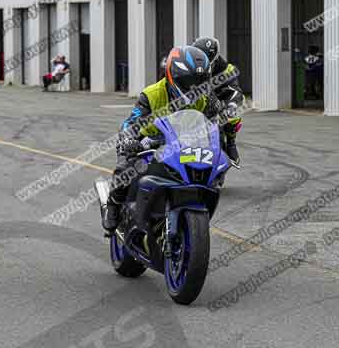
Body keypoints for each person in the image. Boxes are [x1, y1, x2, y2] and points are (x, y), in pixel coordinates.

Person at [102, 45, 211, 232]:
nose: (194, 86)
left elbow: (214, 123)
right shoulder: (151, 94)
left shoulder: (204, 98)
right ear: (172, 76)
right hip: (144, 143)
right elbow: (130, 123)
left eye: (199, 81)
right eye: (189, 80)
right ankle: (113, 205)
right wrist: (128, 139)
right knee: (126, 169)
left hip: (180, 144)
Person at [191, 37, 243, 164]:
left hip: (218, 102)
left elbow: (235, 91)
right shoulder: (191, 67)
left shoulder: (227, 70)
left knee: (233, 111)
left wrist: (231, 104)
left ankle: (231, 142)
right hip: (195, 102)